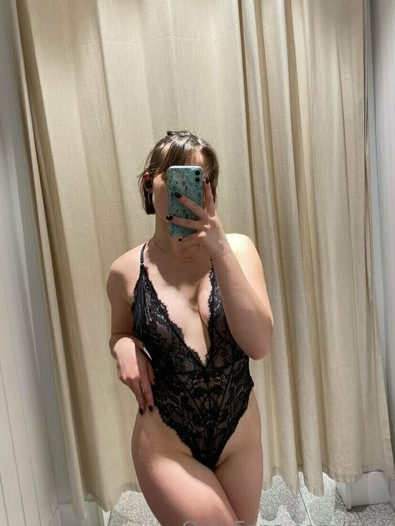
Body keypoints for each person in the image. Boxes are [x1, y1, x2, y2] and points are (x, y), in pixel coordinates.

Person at [106, 130, 273, 526]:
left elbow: (259, 344)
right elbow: (119, 332)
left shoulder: (239, 250)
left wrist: (219, 249)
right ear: (150, 184)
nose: (187, 194)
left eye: (200, 180)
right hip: (166, 442)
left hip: (239, 435)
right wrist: (123, 345)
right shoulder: (125, 271)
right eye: (178, 177)